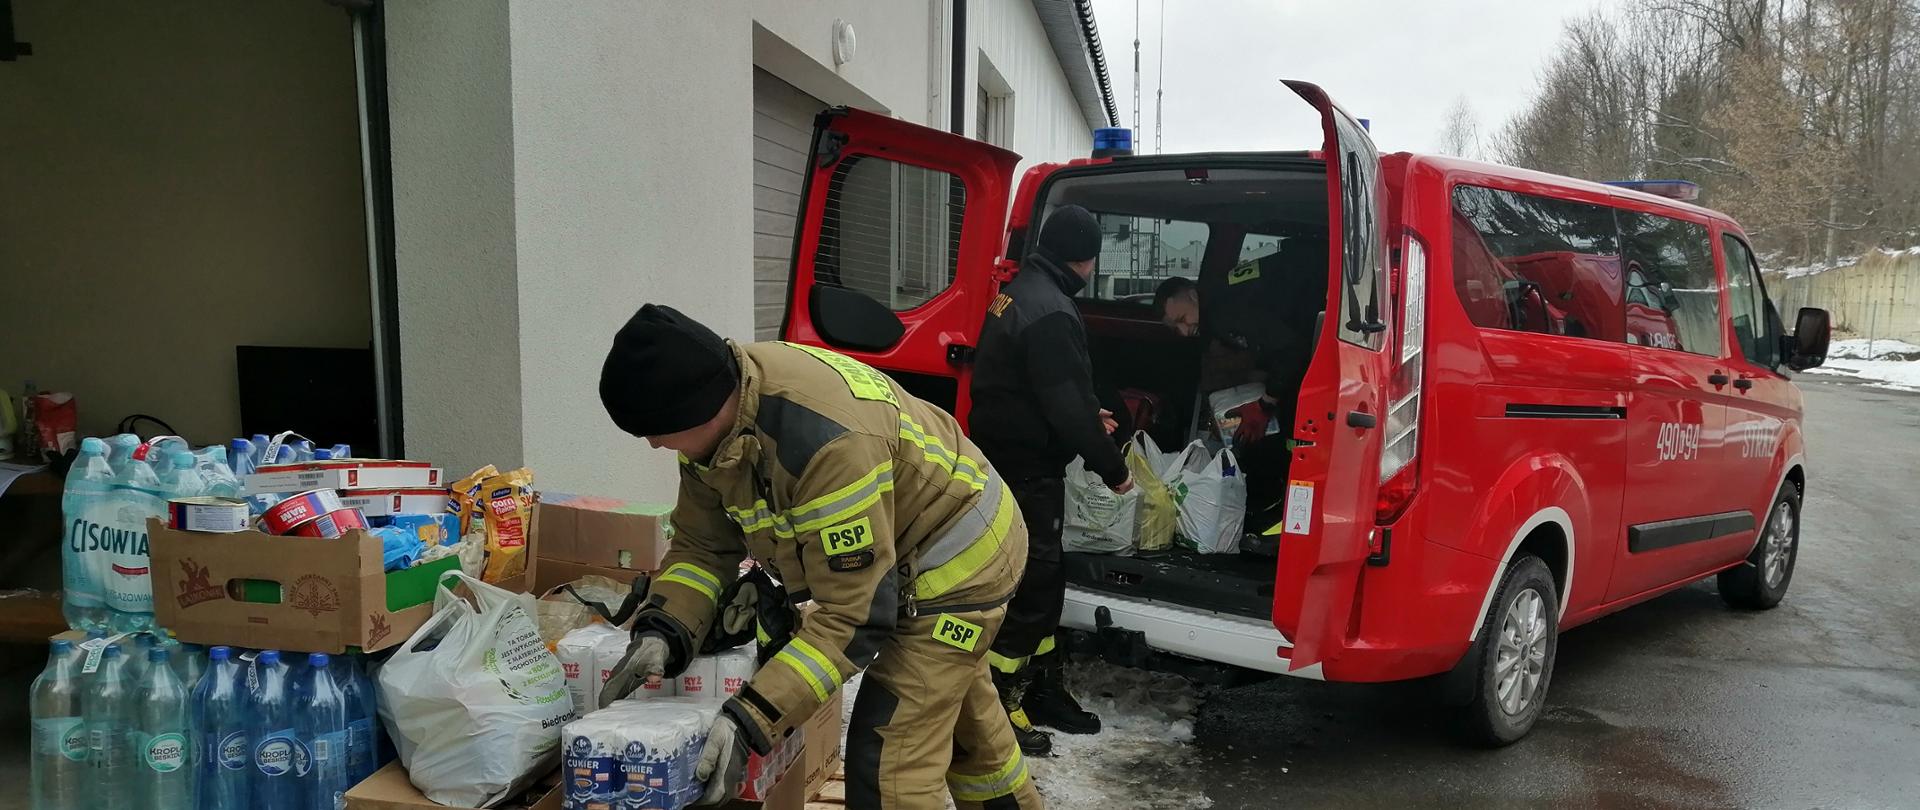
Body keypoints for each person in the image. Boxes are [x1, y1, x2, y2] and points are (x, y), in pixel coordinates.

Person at [597, 304, 1042, 810]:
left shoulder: (822, 446)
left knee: (888, 757)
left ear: (695, 408)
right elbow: (704, 545)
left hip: (958, 565)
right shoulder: (721, 416)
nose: (654, 445)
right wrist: (665, 628)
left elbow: (854, 617)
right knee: (967, 727)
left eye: (655, 431)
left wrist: (752, 718)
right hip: (909, 552)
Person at [969, 204, 1133, 756]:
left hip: (1010, 461)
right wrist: (1113, 466)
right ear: (1086, 258)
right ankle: (995, 706)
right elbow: (1062, 404)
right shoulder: (1053, 310)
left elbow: (1041, 387)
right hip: (1027, 470)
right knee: (1033, 590)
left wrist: (1090, 416)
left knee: (1045, 584)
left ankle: (1041, 689)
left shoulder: (1019, 290)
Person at [1153, 240, 1324, 527]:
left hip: (1321, 322)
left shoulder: (1229, 308)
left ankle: (1292, 513)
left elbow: (1290, 350)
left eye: (1182, 319)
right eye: (1175, 327)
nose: (1184, 332)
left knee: (1297, 429)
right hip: (1304, 321)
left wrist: (1266, 402)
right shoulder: (1223, 300)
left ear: (1194, 296)